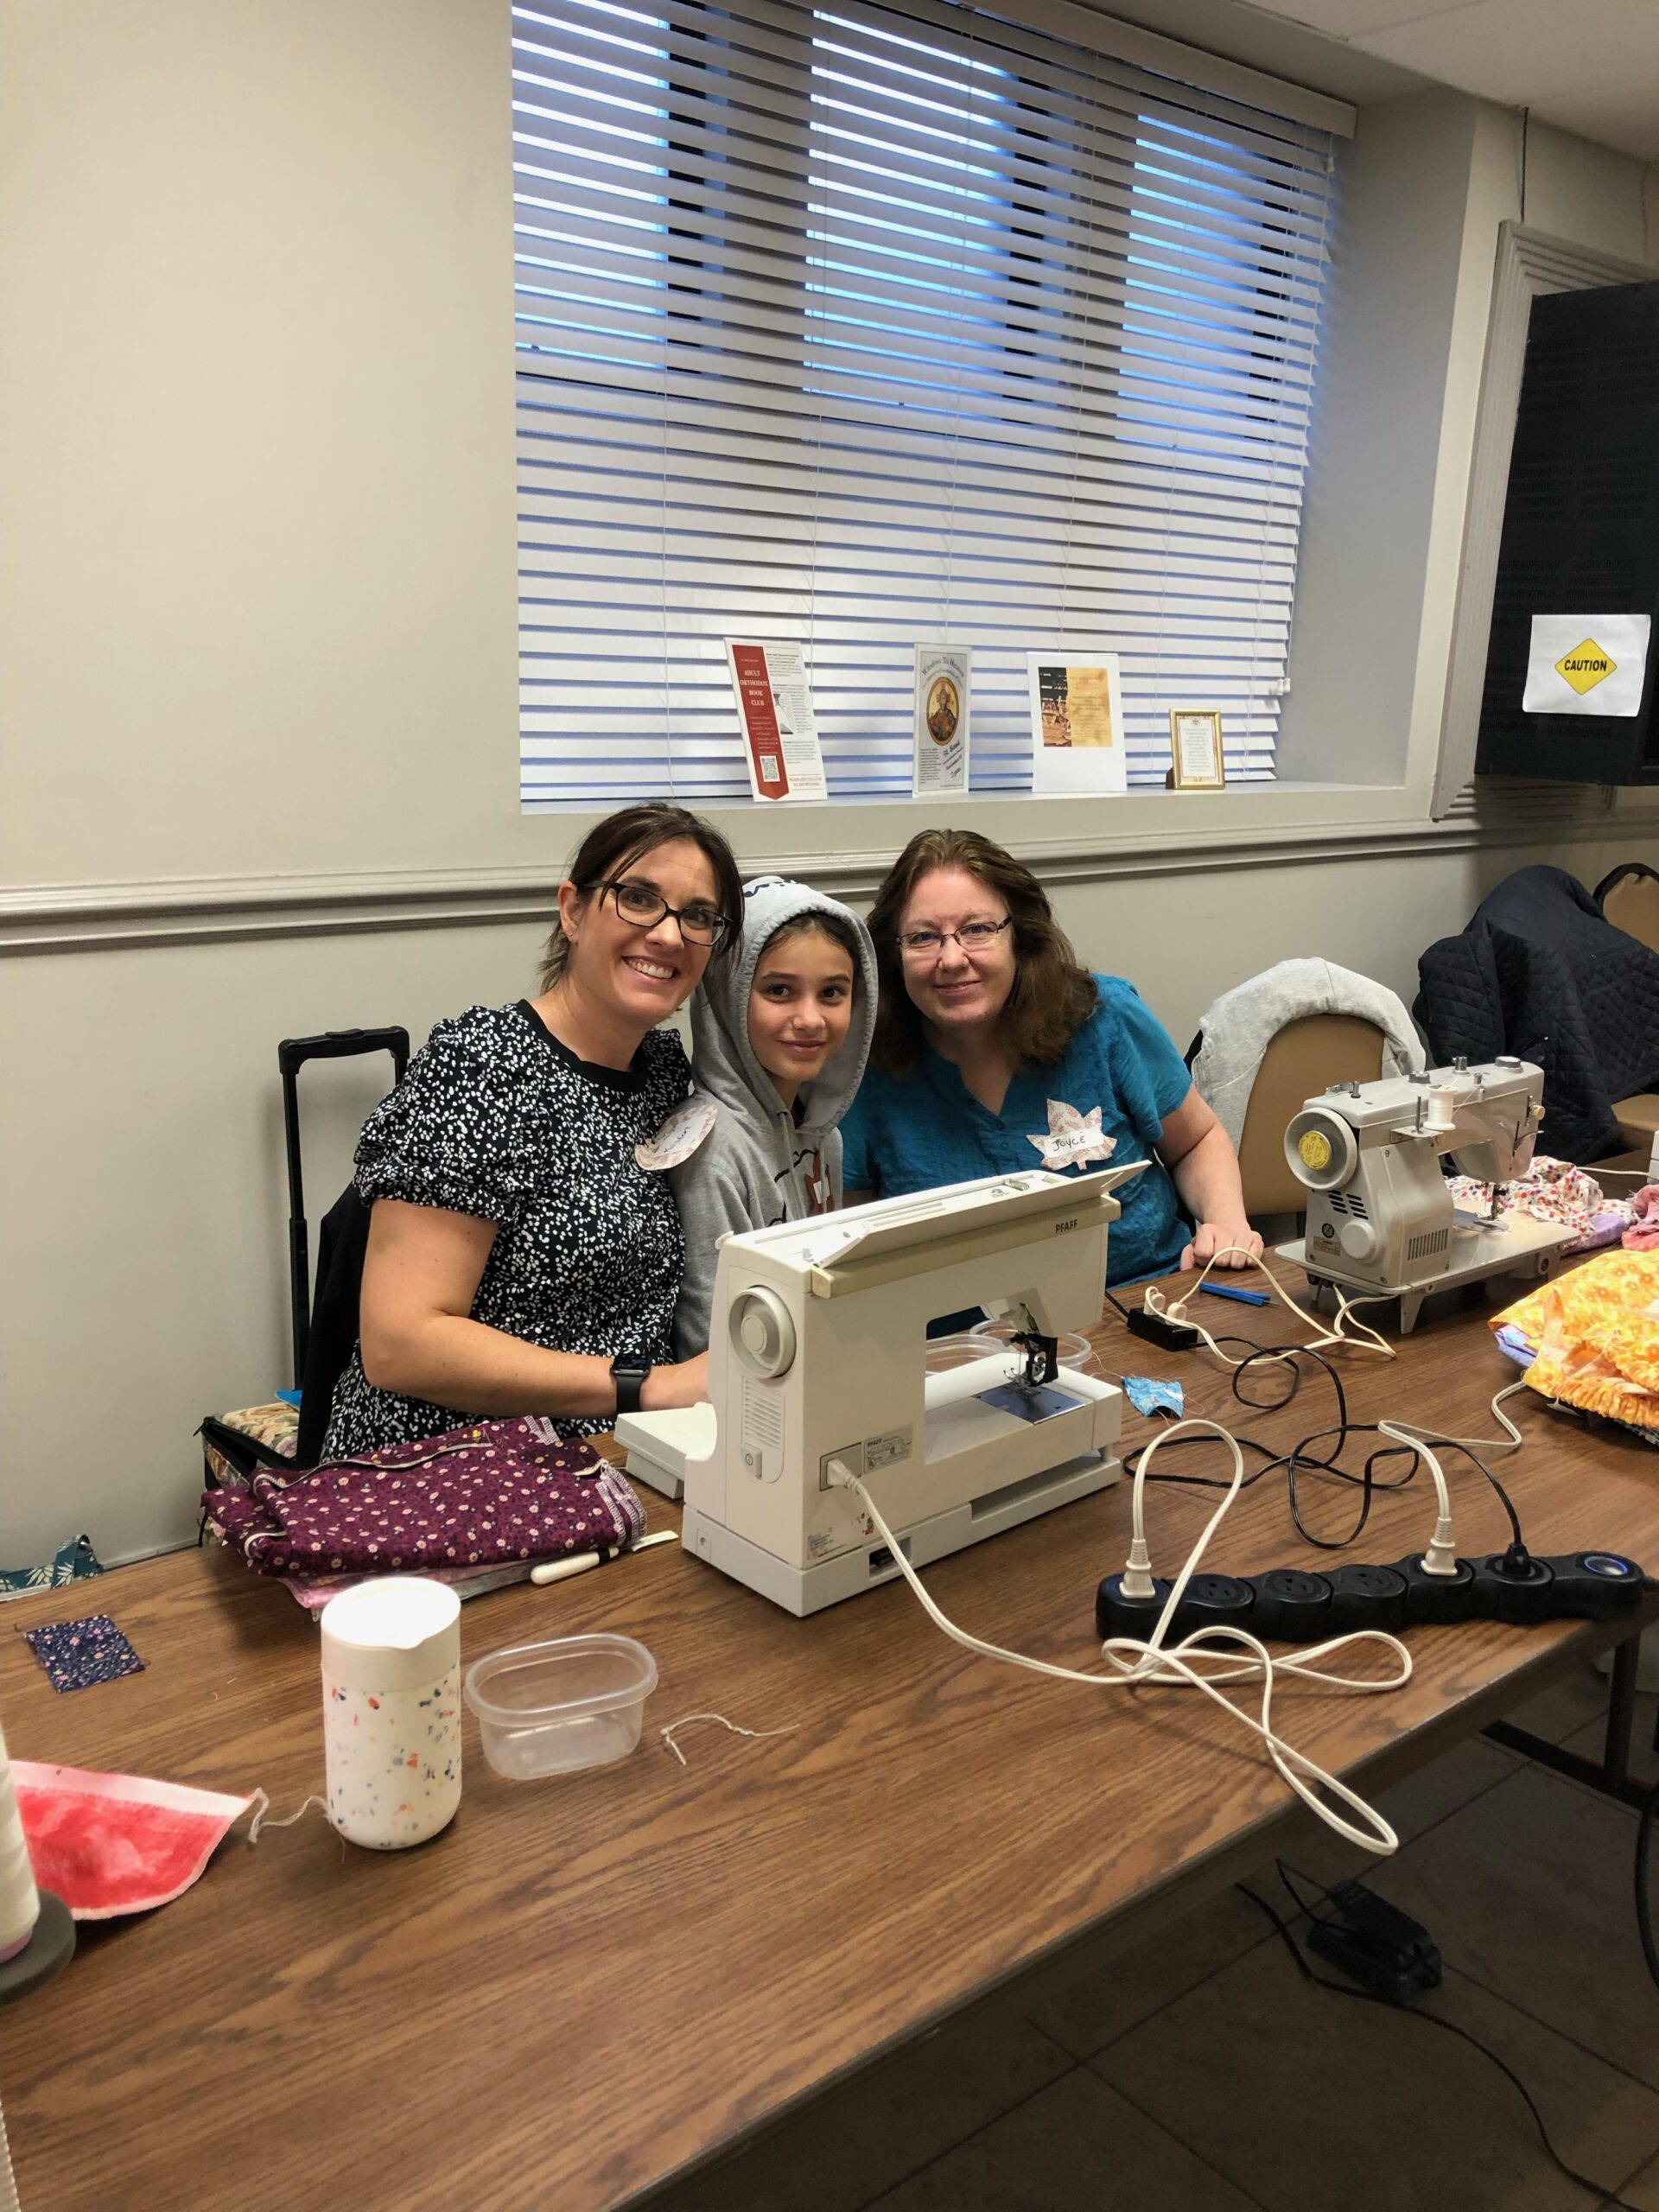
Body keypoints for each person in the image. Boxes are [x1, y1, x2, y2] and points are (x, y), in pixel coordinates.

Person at [320, 803, 743, 1460]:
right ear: (572, 911)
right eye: (638, 898)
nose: (668, 934)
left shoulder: (661, 1070)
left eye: (698, 916)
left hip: (612, 1452)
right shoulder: (483, 1066)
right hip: (449, 1462)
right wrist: (651, 1386)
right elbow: (402, 1344)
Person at [841, 829, 1262, 1284]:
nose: (952, 958)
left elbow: (1195, 1140)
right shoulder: (864, 1066)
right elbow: (850, 1240)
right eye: (923, 937)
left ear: (1020, 937)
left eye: (977, 930)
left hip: (1147, 1295)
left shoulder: (1106, 1017)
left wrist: (1225, 1221)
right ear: (894, 953)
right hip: (959, 1325)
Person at [669, 877, 877, 1357]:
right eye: (779, 990)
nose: (810, 1019)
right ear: (729, 997)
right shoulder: (712, 1152)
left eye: (832, 992)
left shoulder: (826, 1136)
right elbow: (709, 1344)